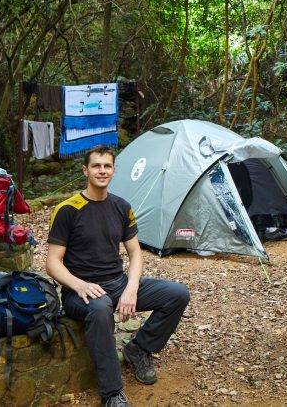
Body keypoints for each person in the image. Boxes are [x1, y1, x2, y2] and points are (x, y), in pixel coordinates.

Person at [47, 146, 190, 407]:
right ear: (85, 170)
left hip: (117, 283)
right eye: (96, 166)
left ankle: (139, 349)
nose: (102, 171)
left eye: (107, 166)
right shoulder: (67, 210)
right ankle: (112, 393)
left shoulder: (121, 207)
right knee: (101, 309)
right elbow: (52, 263)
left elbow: (135, 253)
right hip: (80, 291)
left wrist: (131, 288)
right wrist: (79, 285)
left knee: (177, 294)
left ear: (114, 170)